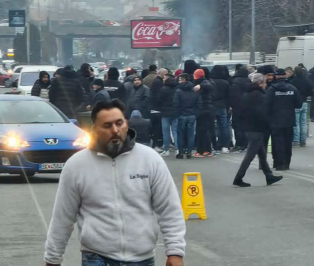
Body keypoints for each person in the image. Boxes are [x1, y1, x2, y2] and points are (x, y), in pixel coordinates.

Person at [44, 99, 186, 266]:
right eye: (107, 125)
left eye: (119, 123)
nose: (115, 130)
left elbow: (170, 209)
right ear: (94, 129)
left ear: (126, 123)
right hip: (96, 257)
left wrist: (175, 252)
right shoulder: (76, 165)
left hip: (142, 258)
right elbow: (63, 217)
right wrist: (53, 258)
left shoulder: (150, 159)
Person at [233, 73, 284, 188]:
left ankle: (269, 176)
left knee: (262, 154)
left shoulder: (247, 94)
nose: (266, 85)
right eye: (265, 82)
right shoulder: (260, 95)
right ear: (260, 83)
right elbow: (262, 113)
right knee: (250, 156)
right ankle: (238, 178)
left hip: (248, 127)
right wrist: (269, 123)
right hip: (256, 128)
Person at [266, 67, 302, 170]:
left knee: (277, 142)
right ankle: (286, 163)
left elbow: (266, 103)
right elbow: (299, 104)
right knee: (287, 142)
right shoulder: (292, 88)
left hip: (275, 120)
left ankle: (278, 163)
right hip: (289, 120)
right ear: (285, 76)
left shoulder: (272, 89)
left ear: (276, 76)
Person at [173, 74, 199, 159]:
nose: (179, 81)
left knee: (180, 134)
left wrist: (178, 113)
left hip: (182, 115)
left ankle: (181, 153)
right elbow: (199, 103)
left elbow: (175, 104)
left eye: (180, 79)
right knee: (191, 134)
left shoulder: (178, 91)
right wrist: (195, 113)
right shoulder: (194, 90)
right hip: (192, 115)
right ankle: (189, 152)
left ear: (184, 80)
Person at [192, 69, 216, 157]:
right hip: (208, 109)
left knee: (200, 131)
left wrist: (200, 86)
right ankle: (207, 150)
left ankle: (200, 151)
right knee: (206, 131)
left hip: (202, 109)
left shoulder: (203, 83)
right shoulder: (208, 82)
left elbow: (208, 85)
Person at [209, 65, 232, 153]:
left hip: (212, 106)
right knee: (223, 126)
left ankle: (214, 146)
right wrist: (228, 106)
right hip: (222, 106)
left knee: (212, 127)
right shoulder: (225, 83)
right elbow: (229, 96)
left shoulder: (210, 81)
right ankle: (225, 146)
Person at [289, 66, 313, 147]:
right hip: (304, 102)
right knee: (303, 123)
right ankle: (303, 141)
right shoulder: (306, 81)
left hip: (295, 103)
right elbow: (311, 91)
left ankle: (296, 140)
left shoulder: (293, 81)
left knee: (296, 123)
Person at [229, 65, 251, 152]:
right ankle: (246, 143)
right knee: (246, 125)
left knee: (237, 125)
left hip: (237, 107)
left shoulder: (235, 81)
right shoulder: (248, 81)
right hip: (248, 106)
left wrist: (231, 105)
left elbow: (232, 95)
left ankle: (239, 144)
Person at [157, 71, 179, 157]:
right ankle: (177, 149)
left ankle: (166, 150)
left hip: (165, 113)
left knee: (165, 132)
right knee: (175, 131)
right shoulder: (177, 88)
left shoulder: (163, 89)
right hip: (175, 112)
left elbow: (159, 100)